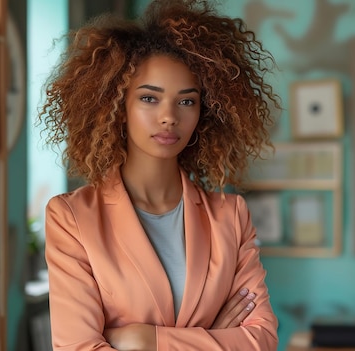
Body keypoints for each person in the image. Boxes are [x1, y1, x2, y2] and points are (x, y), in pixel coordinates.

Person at [38, 0, 281, 350]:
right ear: (118, 108)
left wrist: (144, 340)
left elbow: (262, 341)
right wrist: (213, 335)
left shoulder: (231, 216)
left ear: (204, 112)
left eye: (186, 101)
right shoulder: (71, 218)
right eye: (150, 99)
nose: (169, 117)